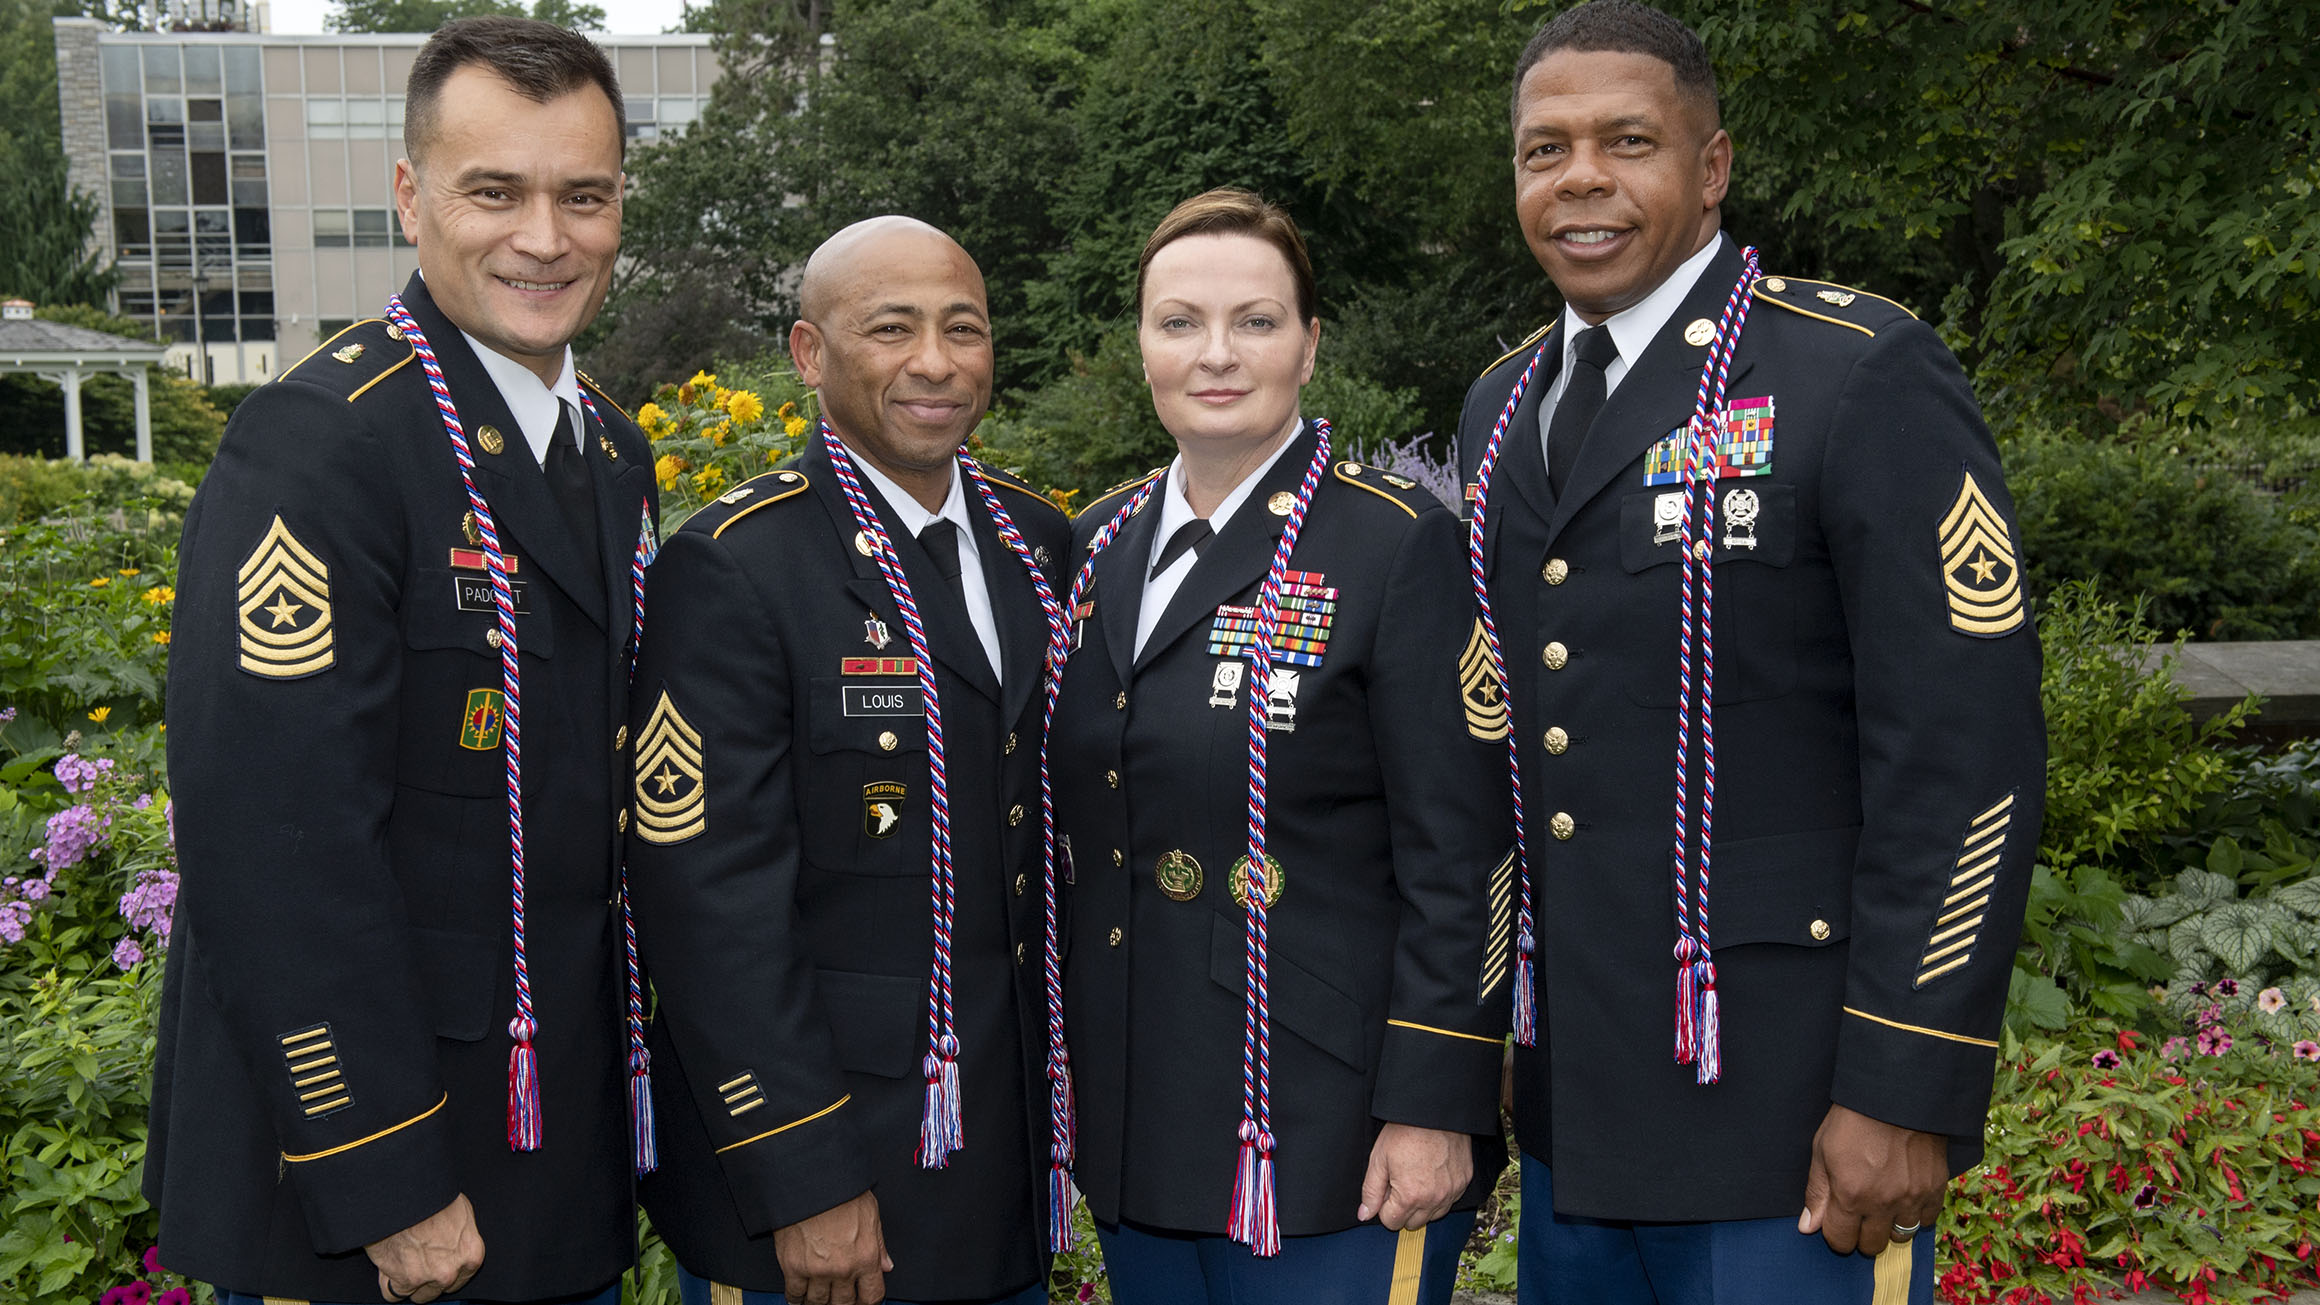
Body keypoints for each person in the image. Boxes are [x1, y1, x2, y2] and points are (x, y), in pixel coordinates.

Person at [1455, 4, 2047, 1303]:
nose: (1582, 180)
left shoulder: (1854, 373)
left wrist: (1904, 1079)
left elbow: (1966, 755)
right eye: (1543, 150)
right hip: (1581, 1118)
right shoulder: (1503, 406)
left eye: (1628, 140)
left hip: (1793, 1124)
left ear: (1711, 166)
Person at [149, 17, 656, 1305]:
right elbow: (276, 844)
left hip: (553, 1147)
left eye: (582, 196)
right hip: (380, 1184)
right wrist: (384, 1175)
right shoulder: (320, 443)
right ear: (409, 197)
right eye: (496, 191)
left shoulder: (603, 445)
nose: (545, 237)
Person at [1047, 188, 1512, 1305]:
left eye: (1255, 321)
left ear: (1309, 345)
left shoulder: (1396, 545)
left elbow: (1465, 853)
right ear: (1142, 346)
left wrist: (1435, 1101)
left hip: (1328, 1124)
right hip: (1141, 1109)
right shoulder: (1096, 545)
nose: (1216, 354)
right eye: (1178, 322)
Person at [626, 216, 1068, 1305]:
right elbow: (706, 901)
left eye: (963, 328)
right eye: (892, 328)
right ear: (811, 355)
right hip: (823, 1184)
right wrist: (801, 1176)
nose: (935, 361)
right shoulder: (735, 566)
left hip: (997, 1164)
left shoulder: (1035, 543)